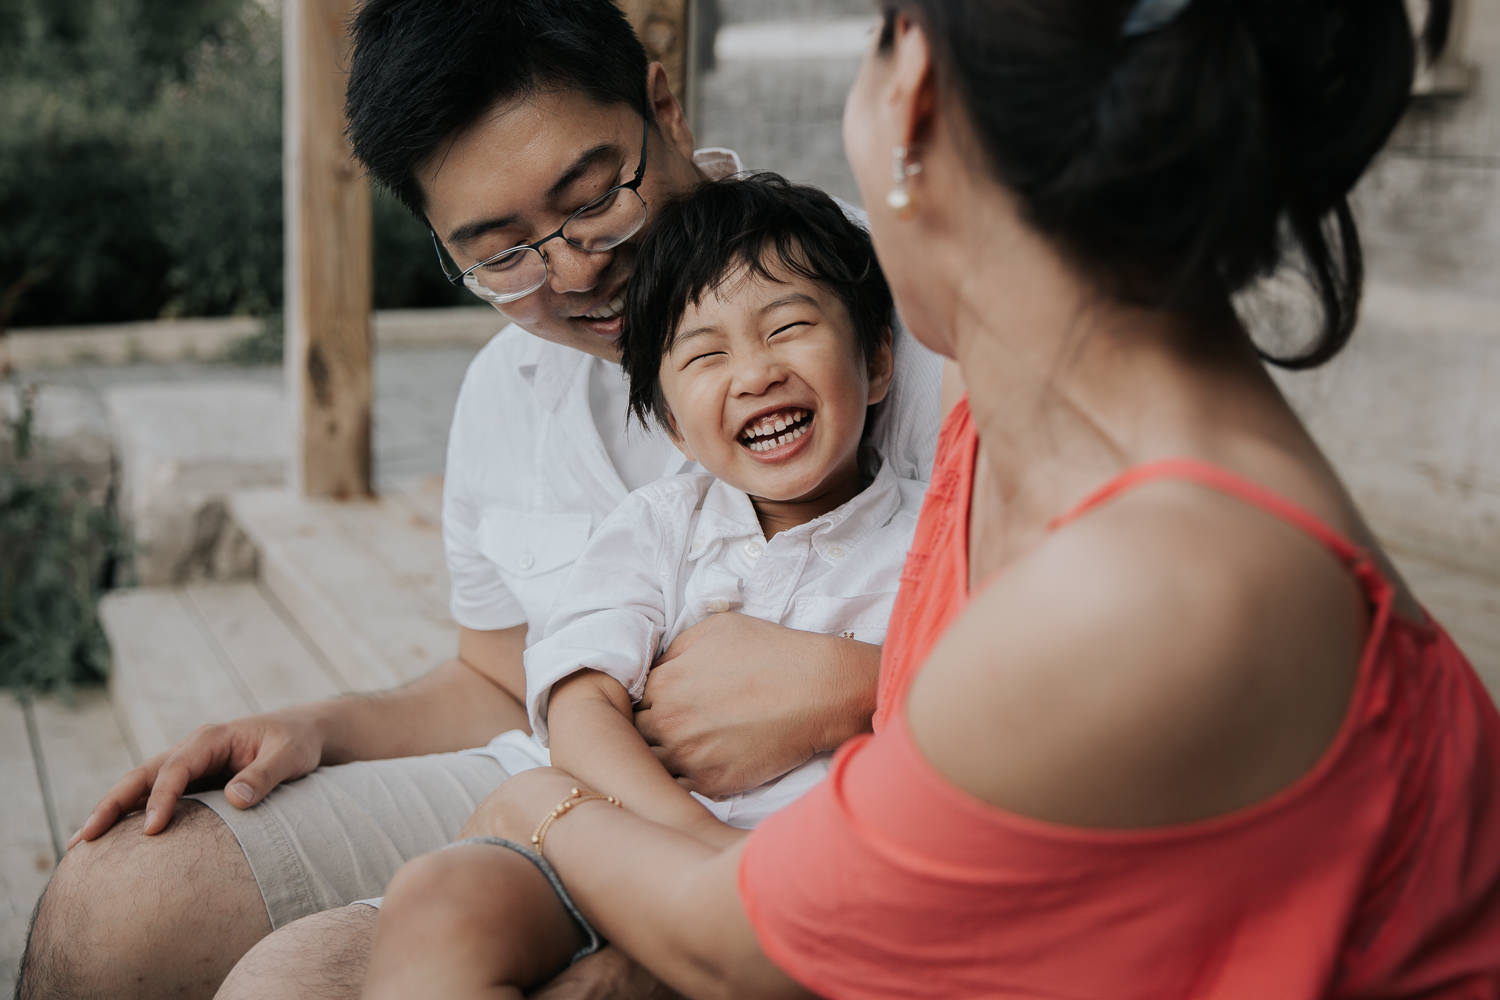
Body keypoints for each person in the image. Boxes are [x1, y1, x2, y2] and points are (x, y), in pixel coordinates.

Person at [406, 0, 1500, 997]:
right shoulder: (1021, 425)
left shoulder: (1158, 576)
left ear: (912, 91)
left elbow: (739, 942)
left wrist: (533, 808)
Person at [16, 4, 941, 999]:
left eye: (594, 199)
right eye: (501, 253)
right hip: (555, 789)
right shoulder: (513, 389)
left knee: (295, 981)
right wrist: (320, 725)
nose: (576, 269)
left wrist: (866, 682)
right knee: (113, 895)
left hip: (833, 809)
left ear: (662, 110)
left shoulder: (893, 313)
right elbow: (501, 680)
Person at [363, 172, 926, 997]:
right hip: (643, 843)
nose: (755, 373)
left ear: (876, 361)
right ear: (669, 422)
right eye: (706, 354)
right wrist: (692, 844)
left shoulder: (931, 533)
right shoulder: (663, 525)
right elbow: (580, 701)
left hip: (829, 873)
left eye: (790, 327)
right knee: (440, 898)